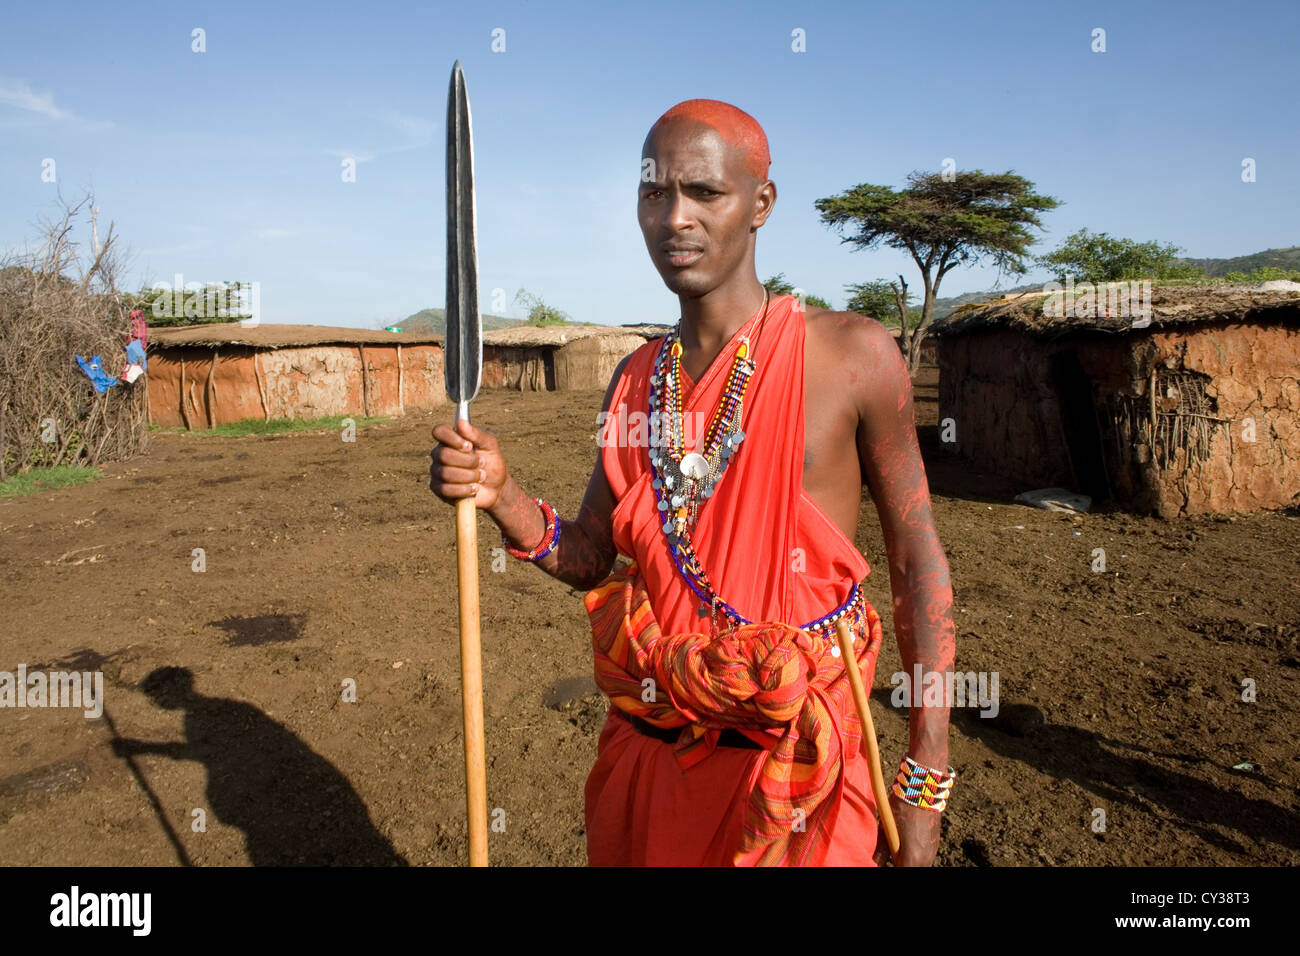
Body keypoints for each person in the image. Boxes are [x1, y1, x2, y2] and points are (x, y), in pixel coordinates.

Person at [430, 98, 955, 866]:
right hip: (652, 765)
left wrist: (925, 776)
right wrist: (502, 497)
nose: (675, 217)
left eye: (705, 192)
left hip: (798, 776)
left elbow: (918, 564)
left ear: (761, 204)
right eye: (654, 193)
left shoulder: (851, 357)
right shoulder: (635, 384)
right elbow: (590, 557)